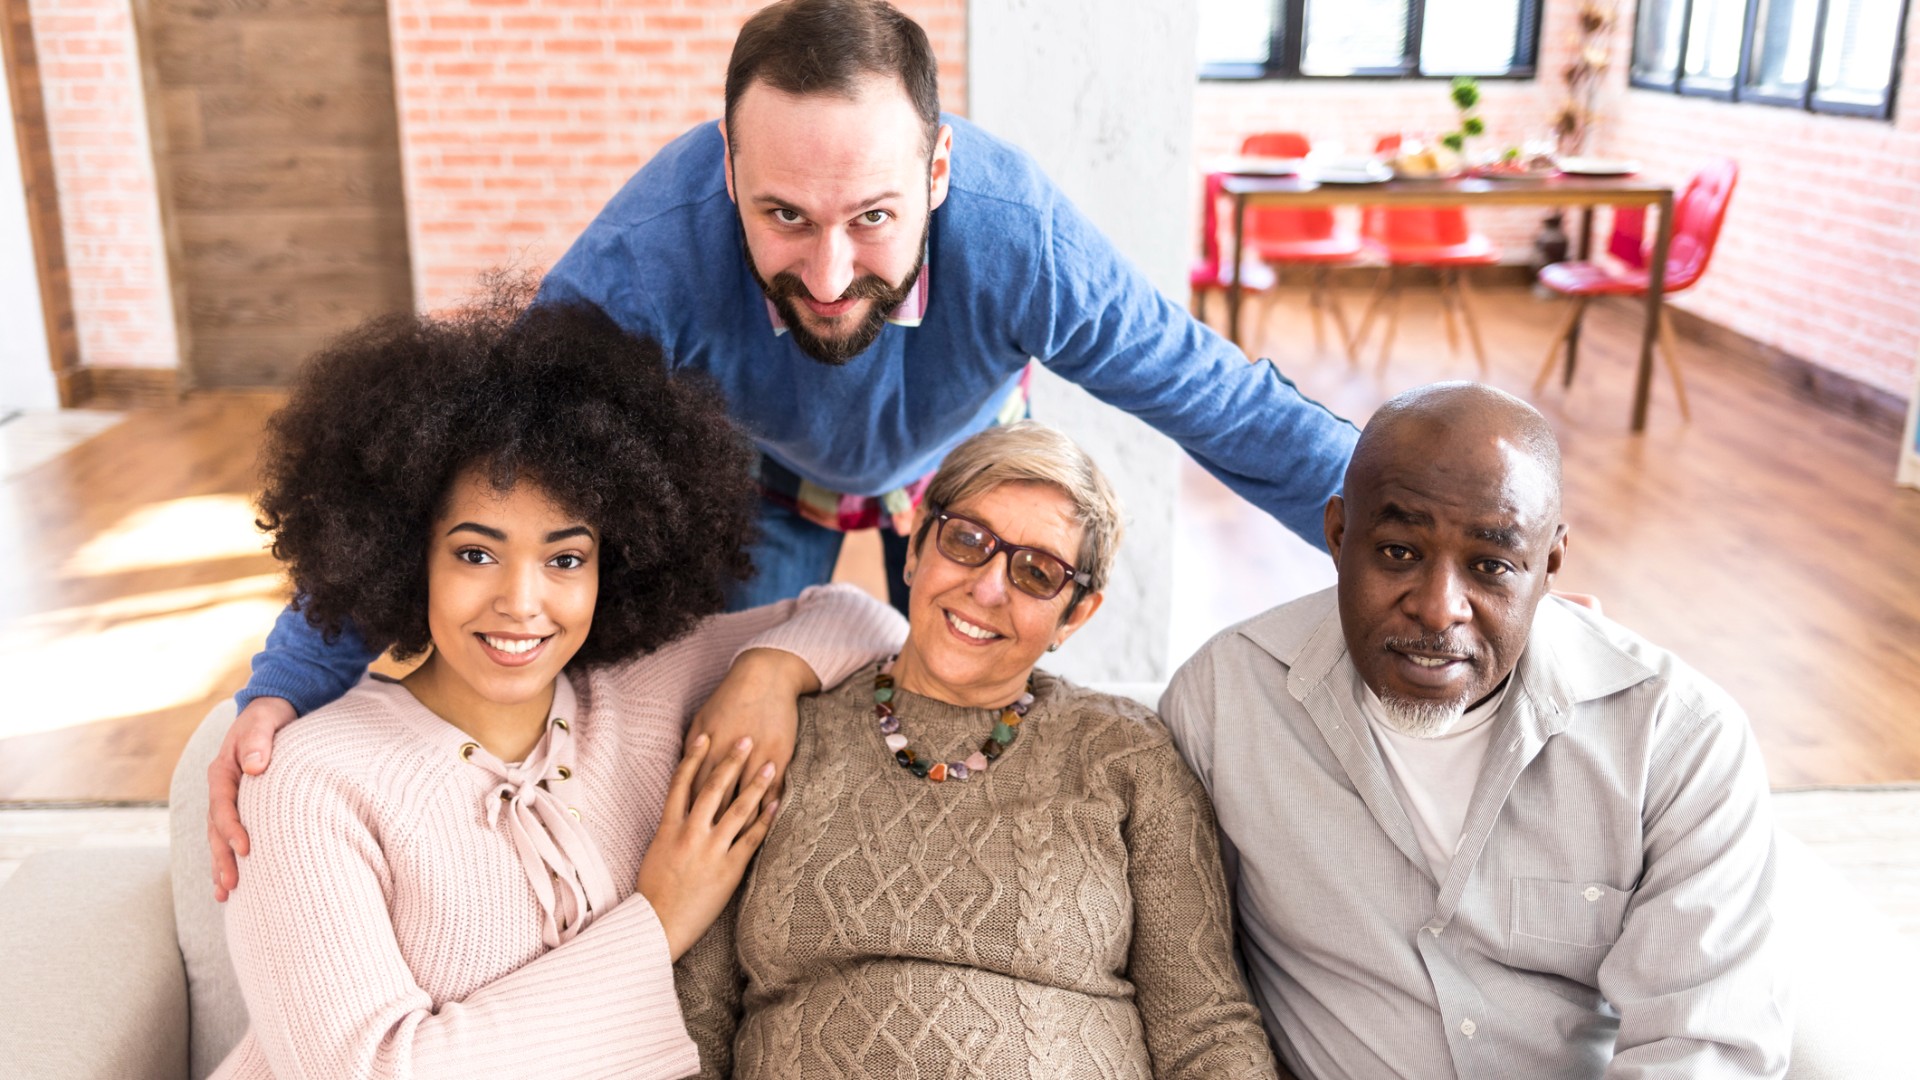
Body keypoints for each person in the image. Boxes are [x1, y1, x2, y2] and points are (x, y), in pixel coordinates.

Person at [207, 0, 1361, 893]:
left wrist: (1409, 544)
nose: (827, 276)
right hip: (755, 480)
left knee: (967, 739)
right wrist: (291, 683)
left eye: (872, 217)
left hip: (954, 468)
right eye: (784, 218)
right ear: (727, 171)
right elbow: (472, 461)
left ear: (939, 171)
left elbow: (1226, 404)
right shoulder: (651, 251)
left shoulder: (1024, 242)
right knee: (704, 757)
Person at [210, 297, 905, 1077]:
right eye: (476, 554)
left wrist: (768, 673)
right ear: (408, 556)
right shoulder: (309, 782)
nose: (521, 602)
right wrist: (660, 921)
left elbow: (863, 622)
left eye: (566, 559)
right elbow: (371, 1071)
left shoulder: (646, 689)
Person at [1160, 382, 1790, 1079]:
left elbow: (1702, 1050)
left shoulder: (1680, 743)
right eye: (1399, 552)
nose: (1437, 610)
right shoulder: (1226, 702)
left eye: (1491, 566)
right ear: (1339, 535)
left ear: (1548, 564)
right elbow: (1183, 980)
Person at [673, 421, 1279, 1080]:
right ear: (914, 549)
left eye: (1037, 572)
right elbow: (693, 1014)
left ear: (1075, 616)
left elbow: (1204, 1025)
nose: (987, 588)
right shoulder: (782, 736)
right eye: (967, 541)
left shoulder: (1125, 755)